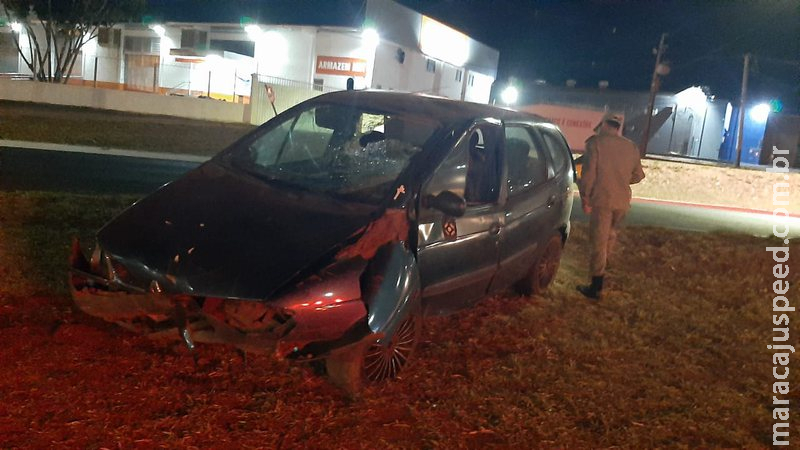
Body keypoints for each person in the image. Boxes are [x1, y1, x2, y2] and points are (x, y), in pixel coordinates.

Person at [577, 112, 645, 300]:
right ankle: (604, 269)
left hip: (603, 200)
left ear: (604, 125)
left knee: (599, 241)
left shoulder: (595, 143)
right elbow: (639, 175)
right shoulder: (631, 147)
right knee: (611, 236)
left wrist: (585, 196)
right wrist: (621, 180)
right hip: (622, 202)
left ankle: (596, 286)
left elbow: (589, 174)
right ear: (618, 127)